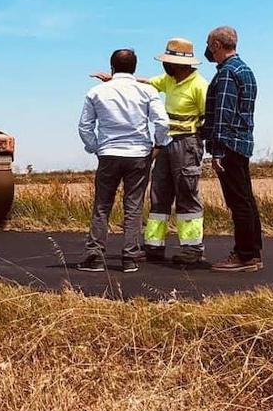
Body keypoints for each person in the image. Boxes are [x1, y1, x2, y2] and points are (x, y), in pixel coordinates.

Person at [97, 38, 209, 265]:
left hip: (187, 143)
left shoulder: (199, 85)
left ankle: (191, 249)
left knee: (187, 195)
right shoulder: (169, 80)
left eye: (168, 61)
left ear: (180, 64)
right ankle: (154, 246)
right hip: (165, 143)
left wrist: (198, 144)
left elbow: (208, 118)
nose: (164, 65)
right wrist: (118, 80)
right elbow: (147, 83)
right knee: (159, 193)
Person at [77, 49, 170, 273]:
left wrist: (95, 147)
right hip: (138, 153)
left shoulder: (96, 92)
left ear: (111, 67)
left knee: (102, 206)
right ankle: (129, 257)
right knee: (133, 207)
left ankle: (95, 256)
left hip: (109, 153)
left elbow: (85, 126)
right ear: (135, 68)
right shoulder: (147, 91)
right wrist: (158, 144)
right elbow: (162, 122)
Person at [200, 26, 262, 272]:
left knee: (237, 202)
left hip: (229, 146)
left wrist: (217, 151)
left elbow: (223, 113)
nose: (208, 49)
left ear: (216, 45)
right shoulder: (245, 70)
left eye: (208, 44)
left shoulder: (226, 73)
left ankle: (244, 255)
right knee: (246, 199)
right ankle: (253, 251)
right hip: (243, 142)